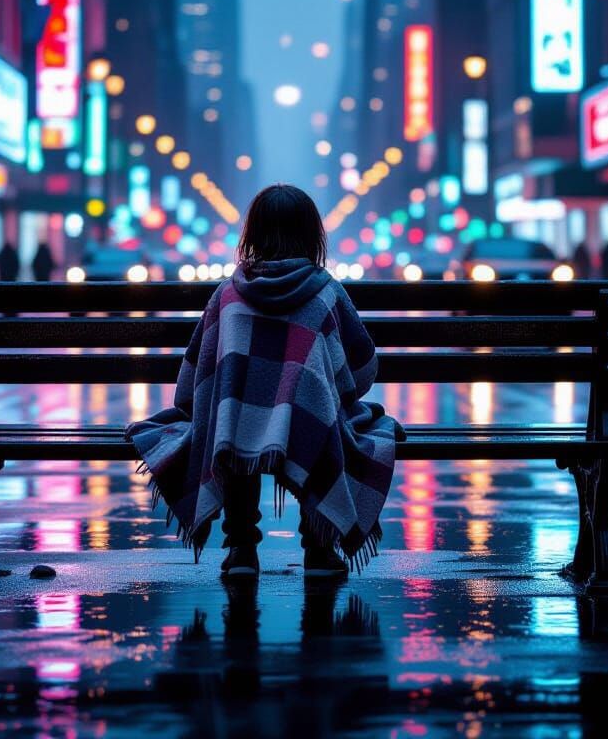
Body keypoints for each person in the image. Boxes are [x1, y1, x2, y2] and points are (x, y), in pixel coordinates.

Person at [125, 184, 401, 580]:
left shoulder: (229, 295)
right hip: (311, 426)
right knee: (323, 419)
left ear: (252, 234)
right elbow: (362, 368)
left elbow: (196, 372)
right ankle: (319, 549)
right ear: (312, 235)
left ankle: (241, 547)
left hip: (234, 426)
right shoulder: (325, 292)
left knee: (234, 424)